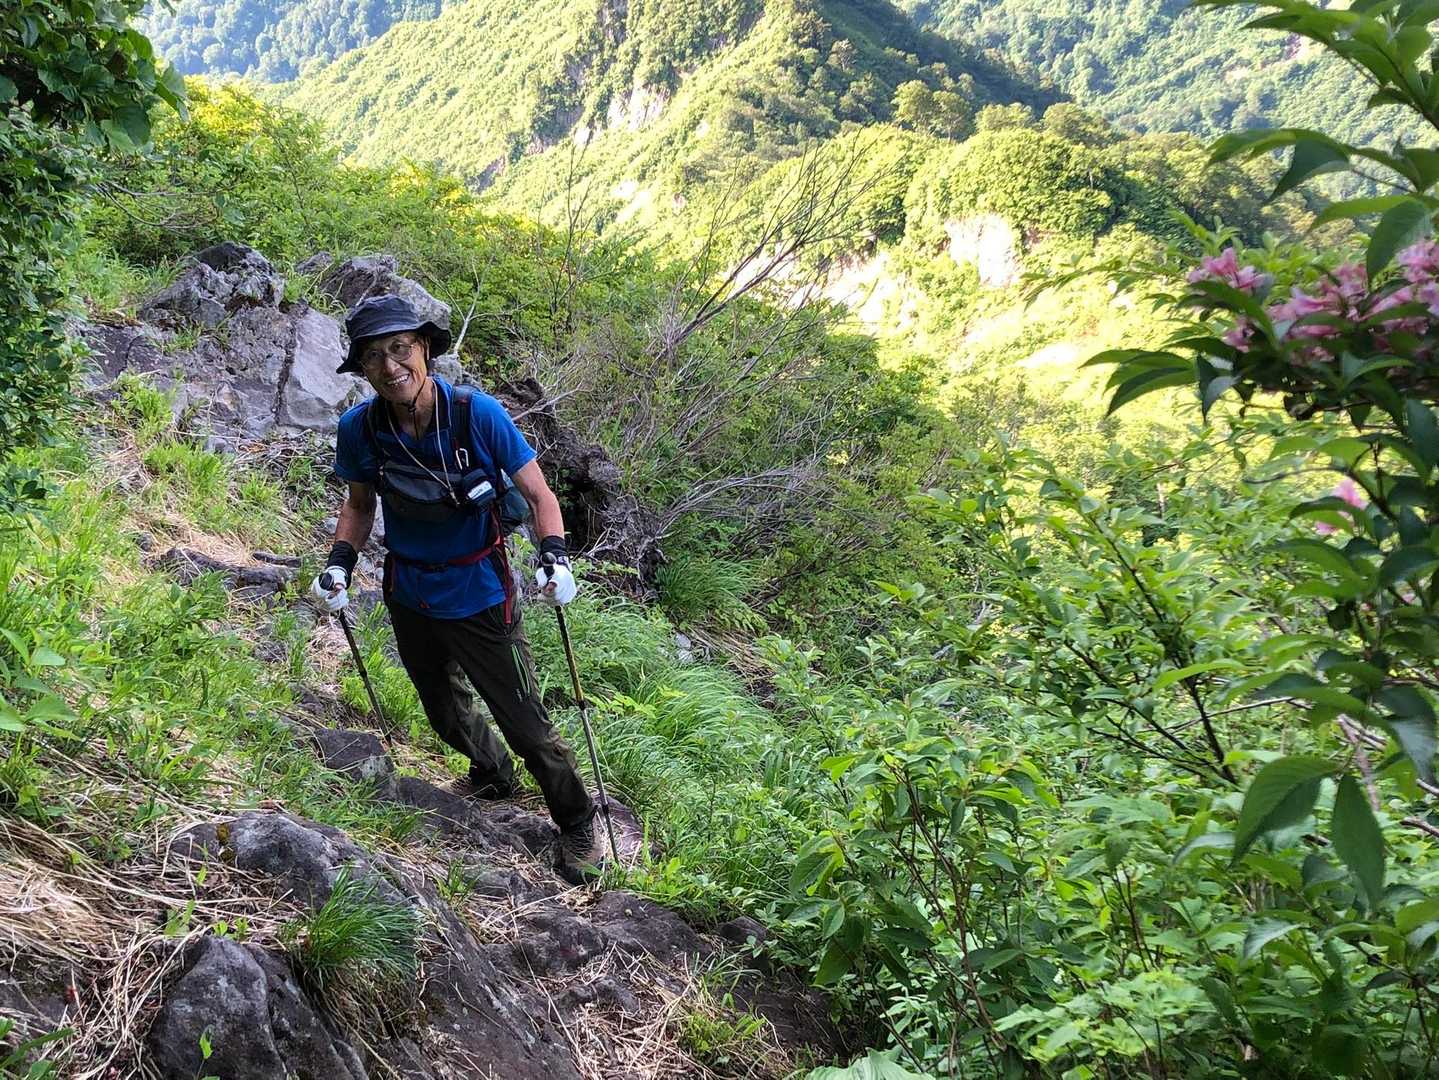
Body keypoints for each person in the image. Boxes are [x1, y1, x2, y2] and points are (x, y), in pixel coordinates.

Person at [310, 294, 600, 872]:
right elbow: (360, 506)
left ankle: (577, 823)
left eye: (400, 348)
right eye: (373, 356)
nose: (390, 366)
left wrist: (555, 556)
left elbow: (540, 495)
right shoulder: (360, 429)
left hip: (482, 595)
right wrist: (340, 561)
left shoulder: (477, 415)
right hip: (409, 593)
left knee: (527, 724)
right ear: (361, 368)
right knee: (443, 711)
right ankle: (492, 774)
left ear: (424, 349)